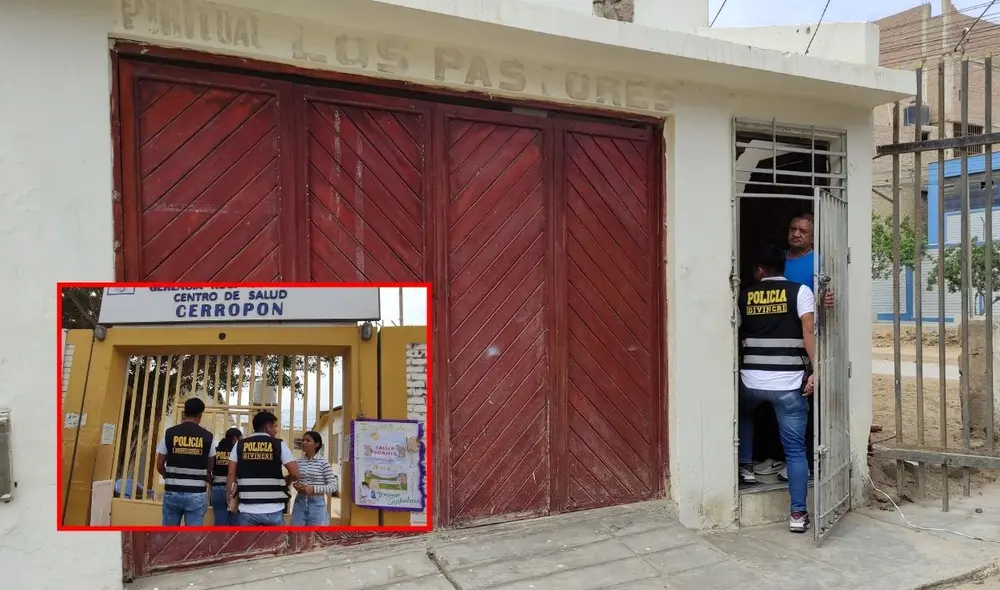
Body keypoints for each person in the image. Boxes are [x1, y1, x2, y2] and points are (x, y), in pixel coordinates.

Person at [737, 244, 816, 533]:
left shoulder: (744, 295)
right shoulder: (800, 292)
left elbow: (738, 331)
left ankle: (745, 467)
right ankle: (797, 515)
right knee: (795, 451)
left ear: (759, 270)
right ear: (783, 267)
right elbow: (809, 332)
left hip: (750, 381)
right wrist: (816, 370)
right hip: (788, 384)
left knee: (744, 414)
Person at [228, 411, 300, 526]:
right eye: (275, 426)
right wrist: (288, 480)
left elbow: (231, 474)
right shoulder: (279, 445)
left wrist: (230, 499)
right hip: (274, 509)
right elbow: (296, 473)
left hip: (247, 509)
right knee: (274, 544)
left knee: (248, 544)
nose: (276, 430)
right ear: (268, 427)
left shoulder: (239, 445)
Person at [156, 397, 213, 526]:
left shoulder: (170, 433)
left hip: (172, 491)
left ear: (184, 412)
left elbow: (159, 465)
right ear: (200, 415)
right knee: (192, 537)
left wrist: (168, 476)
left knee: (168, 536)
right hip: (196, 494)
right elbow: (210, 466)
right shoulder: (208, 436)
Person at [290, 431, 338, 526]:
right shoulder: (298, 462)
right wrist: (296, 485)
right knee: (297, 536)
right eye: (303, 440)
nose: (304, 443)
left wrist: (313, 489)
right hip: (300, 503)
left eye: (308, 440)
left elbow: (333, 486)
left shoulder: (323, 463)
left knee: (316, 537)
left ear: (316, 444)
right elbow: (295, 479)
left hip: (317, 505)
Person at [210, 428, 242, 526]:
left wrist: (211, 483)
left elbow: (209, 469)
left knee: (220, 524)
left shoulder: (216, 451)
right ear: (235, 438)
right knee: (235, 523)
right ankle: (233, 542)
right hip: (233, 489)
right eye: (240, 438)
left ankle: (220, 542)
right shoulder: (237, 453)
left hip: (217, 489)